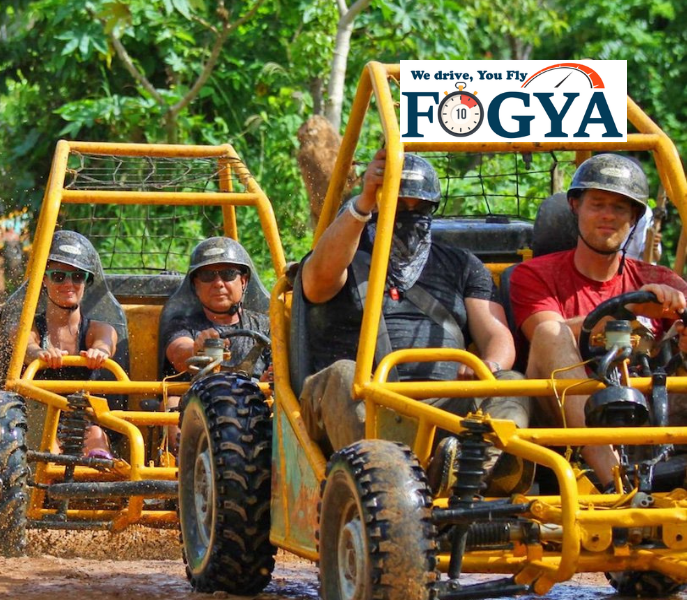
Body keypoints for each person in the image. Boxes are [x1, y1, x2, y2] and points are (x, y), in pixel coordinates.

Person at [297, 150, 530, 488]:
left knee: (510, 382)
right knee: (345, 374)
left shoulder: (462, 264)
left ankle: (472, 472)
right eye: (395, 203)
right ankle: (386, 482)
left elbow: (497, 335)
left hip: (442, 402)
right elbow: (317, 282)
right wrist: (364, 202)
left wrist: (490, 365)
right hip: (362, 396)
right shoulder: (346, 251)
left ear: (431, 208)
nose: (405, 213)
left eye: (416, 206)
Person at [509, 153, 687, 488]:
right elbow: (543, 333)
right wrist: (628, 312)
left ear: (634, 217)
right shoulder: (533, 275)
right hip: (560, 414)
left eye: (620, 208)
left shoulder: (659, 280)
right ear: (575, 206)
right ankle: (617, 486)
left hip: (650, 410)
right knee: (551, 331)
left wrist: (680, 334)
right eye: (598, 204)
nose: (607, 216)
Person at [23, 230, 118, 459]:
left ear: (86, 282)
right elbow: (26, 346)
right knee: (48, 447)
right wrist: (41, 354)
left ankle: (98, 489)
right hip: (38, 420)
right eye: (58, 276)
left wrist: (100, 352)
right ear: (44, 280)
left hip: (82, 420)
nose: (69, 284)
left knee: (96, 435)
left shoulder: (98, 329)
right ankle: (48, 489)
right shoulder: (31, 327)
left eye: (77, 277)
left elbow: (107, 342)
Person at [163, 236, 270, 379]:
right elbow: (178, 352)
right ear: (196, 285)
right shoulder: (181, 325)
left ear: (243, 281)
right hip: (195, 399)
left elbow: (281, 367)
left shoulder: (266, 326)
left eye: (228, 274)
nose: (218, 283)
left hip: (255, 399)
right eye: (207, 275)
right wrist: (196, 349)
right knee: (171, 402)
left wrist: (269, 380)